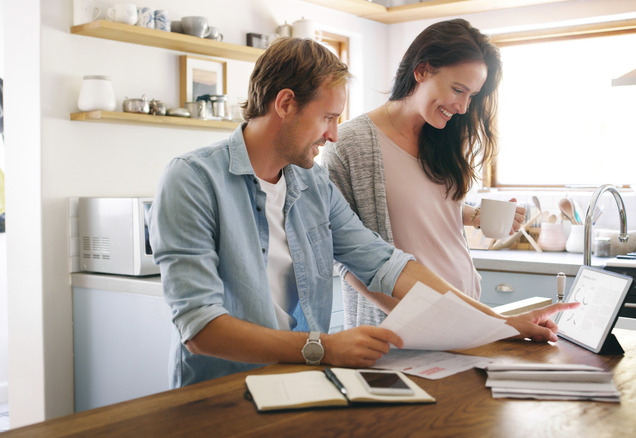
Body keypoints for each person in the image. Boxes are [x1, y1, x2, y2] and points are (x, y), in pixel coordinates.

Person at [150, 37, 576, 388]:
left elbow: (388, 264)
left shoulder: (312, 185)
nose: (334, 133)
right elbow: (201, 329)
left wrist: (501, 323)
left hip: (299, 385)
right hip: (217, 395)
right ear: (284, 104)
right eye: (329, 117)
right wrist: (324, 348)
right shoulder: (192, 180)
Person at [322, 19, 523, 329]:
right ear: (422, 70)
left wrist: (477, 216)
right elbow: (344, 254)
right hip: (404, 326)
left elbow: (425, 207)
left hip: (467, 314)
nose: (463, 107)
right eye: (458, 90)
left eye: (472, 96)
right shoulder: (350, 144)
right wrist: (412, 315)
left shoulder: (445, 138)